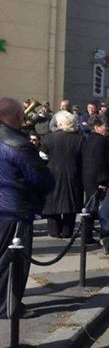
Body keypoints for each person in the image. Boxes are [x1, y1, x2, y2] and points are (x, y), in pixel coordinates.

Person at [0, 97, 54, 319]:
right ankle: (7, 306)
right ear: (14, 117)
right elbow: (42, 180)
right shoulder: (19, 144)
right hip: (14, 210)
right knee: (15, 262)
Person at [41, 110, 84, 239]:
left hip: (52, 172)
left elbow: (42, 156)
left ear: (59, 123)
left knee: (52, 203)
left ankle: (54, 230)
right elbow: (83, 158)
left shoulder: (48, 138)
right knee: (70, 203)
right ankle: (67, 231)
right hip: (73, 173)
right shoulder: (79, 139)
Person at [80, 116, 109, 243]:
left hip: (89, 178)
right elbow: (103, 162)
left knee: (90, 207)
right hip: (99, 180)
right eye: (104, 126)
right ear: (97, 127)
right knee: (101, 208)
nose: (107, 129)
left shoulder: (88, 140)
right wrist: (103, 181)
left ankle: (87, 235)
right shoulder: (101, 142)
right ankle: (103, 235)